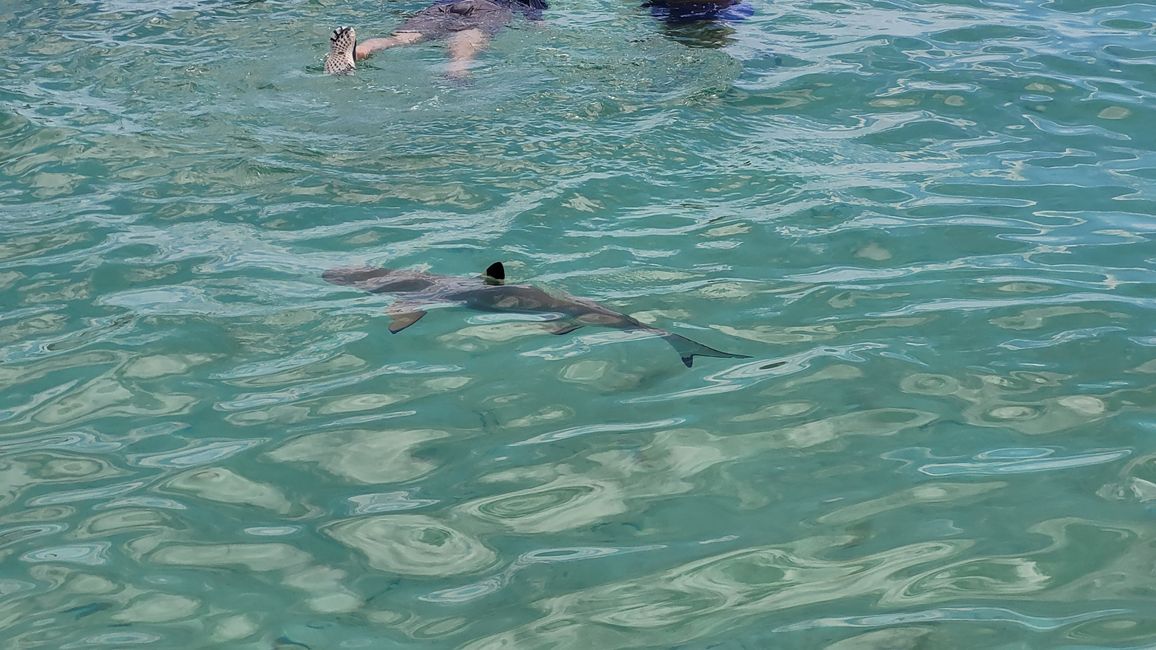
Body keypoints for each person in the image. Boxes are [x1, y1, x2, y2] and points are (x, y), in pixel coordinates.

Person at [324, 0, 548, 78]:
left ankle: (359, 51)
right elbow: (534, 19)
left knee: (400, 40)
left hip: (442, 8)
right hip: (488, 8)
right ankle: (457, 70)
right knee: (468, 36)